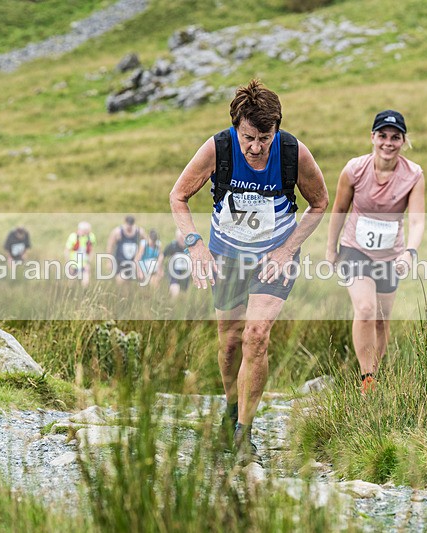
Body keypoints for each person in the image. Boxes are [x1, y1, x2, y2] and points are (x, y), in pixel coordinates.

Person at [170, 79, 329, 466]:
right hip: (226, 255)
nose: (256, 147)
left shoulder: (293, 152)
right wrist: (196, 248)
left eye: (265, 137)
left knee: (256, 335)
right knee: (229, 343)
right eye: (248, 137)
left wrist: (288, 248)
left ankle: (244, 432)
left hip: (273, 258)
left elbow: (320, 203)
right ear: (235, 127)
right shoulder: (218, 148)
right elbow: (178, 196)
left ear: (276, 129)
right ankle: (230, 408)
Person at [326, 110, 425, 395]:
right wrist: (331, 249)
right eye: (382, 136)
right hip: (355, 250)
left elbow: (418, 220)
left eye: (395, 137)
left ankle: (375, 377)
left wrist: (409, 253)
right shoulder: (354, 169)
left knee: (382, 318)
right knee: (366, 310)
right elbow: (339, 209)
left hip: (391, 256)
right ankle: (366, 378)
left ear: (403, 141)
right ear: (372, 137)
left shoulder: (413, 175)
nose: (388, 143)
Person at [106, 216, 144, 283]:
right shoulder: (117, 232)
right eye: (128, 225)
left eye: (131, 225)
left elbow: (145, 242)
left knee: (132, 282)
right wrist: (109, 261)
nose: (129, 227)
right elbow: (110, 246)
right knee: (120, 280)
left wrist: (140, 254)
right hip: (120, 261)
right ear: (125, 223)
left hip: (133, 262)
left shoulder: (139, 231)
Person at [66, 221, 96, 286]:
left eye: (88, 231)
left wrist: (88, 263)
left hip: (84, 264)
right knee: (71, 285)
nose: (88, 232)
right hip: (73, 264)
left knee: (85, 283)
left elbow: (91, 251)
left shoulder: (91, 237)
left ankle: (83, 295)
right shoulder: (73, 237)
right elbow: (67, 251)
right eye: (86, 231)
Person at [164, 229, 191, 298]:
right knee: (174, 285)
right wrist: (160, 269)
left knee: (185, 290)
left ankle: (182, 303)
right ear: (177, 238)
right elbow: (162, 255)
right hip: (175, 271)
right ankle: (174, 302)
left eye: (183, 238)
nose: (182, 240)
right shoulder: (173, 246)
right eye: (180, 238)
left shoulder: (190, 248)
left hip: (185, 272)